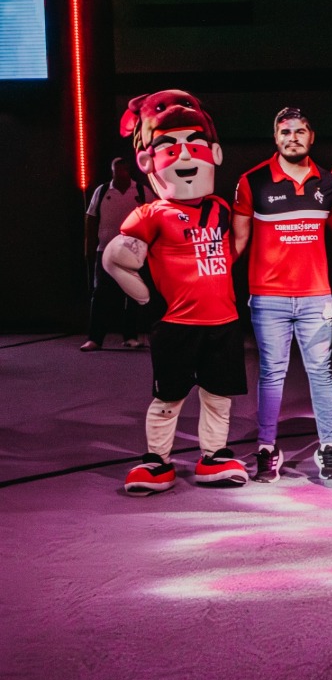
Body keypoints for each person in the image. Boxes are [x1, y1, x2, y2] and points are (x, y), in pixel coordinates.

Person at [103, 90, 248, 494]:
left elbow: (232, 249)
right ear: (148, 161)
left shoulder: (220, 208)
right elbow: (116, 258)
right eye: (170, 148)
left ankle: (213, 456)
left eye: (195, 146)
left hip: (223, 321)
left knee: (219, 396)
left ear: (214, 153)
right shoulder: (151, 214)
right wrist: (144, 296)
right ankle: (157, 460)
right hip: (177, 322)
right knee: (169, 398)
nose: (185, 157)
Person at [231, 106, 332, 482]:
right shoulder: (252, 181)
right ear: (275, 138)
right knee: (271, 374)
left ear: (311, 137)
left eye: (299, 131)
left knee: (321, 372)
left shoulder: (328, 182)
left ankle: (329, 446)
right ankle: (266, 448)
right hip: (268, 298)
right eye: (285, 132)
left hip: (317, 297)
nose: (292, 138)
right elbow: (237, 243)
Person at [83, 156, 147, 351]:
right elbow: (91, 218)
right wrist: (89, 246)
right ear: (112, 171)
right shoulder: (102, 191)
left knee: (132, 295)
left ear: (129, 170)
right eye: (117, 170)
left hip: (133, 252)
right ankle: (95, 339)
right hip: (105, 251)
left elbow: (155, 215)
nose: (121, 173)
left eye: (124, 169)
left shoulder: (141, 191)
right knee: (100, 295)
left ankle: (130, 336)